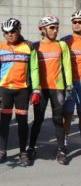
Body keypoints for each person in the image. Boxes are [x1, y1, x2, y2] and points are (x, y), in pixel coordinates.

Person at [0, 18, 40, 167]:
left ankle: (23, 152)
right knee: (4, 122)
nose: (9, 35)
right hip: (5, 90)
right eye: (6, 33)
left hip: (22, 90)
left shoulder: (29, 46)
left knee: (22, 122)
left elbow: (34, 69)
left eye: (12, 31)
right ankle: (2, 151)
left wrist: (36, 90)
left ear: (19, 31)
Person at [28, 15, 71, 165]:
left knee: (58, 120)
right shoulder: (35, 46)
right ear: (42, 29)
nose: (55, 30)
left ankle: (61, 149)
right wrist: (34, 88)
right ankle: (31, 148)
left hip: (57, 88)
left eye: (57, 27)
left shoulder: (62, 45)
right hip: (41, 89)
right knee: (38, 120)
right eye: (52, 27)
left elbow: (67, 66)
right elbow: (32, 69)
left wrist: (69, 85)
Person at [62, 10, 81, 149]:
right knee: (67, 113)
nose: (77, 24)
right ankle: (64, 141)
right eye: (74, 22)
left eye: (80, 22)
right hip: (70, 83)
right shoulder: (65, 41)